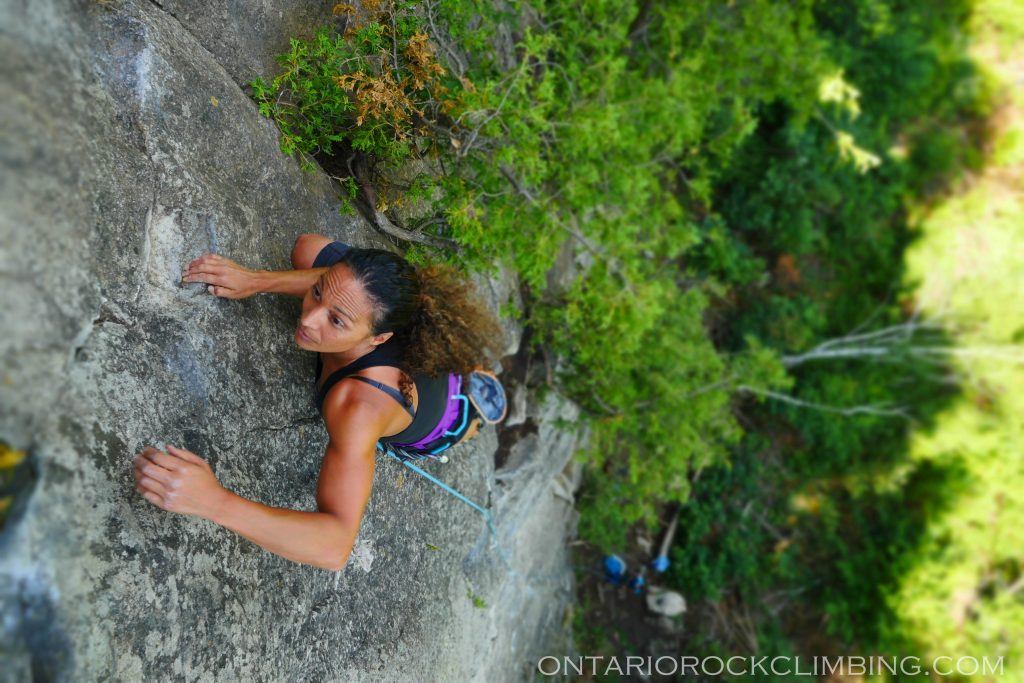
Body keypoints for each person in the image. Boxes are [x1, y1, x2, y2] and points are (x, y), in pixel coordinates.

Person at [132, 234, 505, 572]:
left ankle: (471, 410)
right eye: (318, 292)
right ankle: (464, 372)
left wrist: (214, 501)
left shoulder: (357, 406)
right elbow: (330, 281)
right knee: (307, 249)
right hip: (402, 356)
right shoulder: (361, 307)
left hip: (438, 418)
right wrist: (255, 280)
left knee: (460, 418)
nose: (309, 320)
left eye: (336, 320)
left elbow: (335, 545)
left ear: (378, 338)